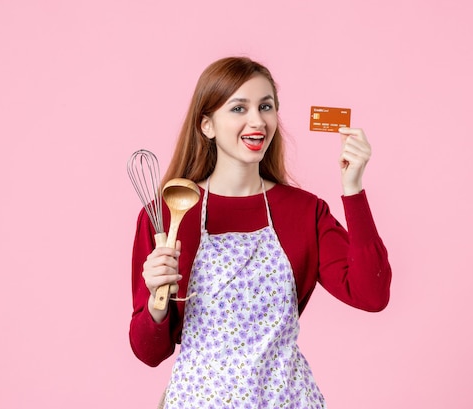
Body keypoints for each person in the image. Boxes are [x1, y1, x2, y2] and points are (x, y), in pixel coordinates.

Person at [129, 56, 392, 408]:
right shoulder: (166, 215)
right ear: (207, 125)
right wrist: (155, 303)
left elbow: (371, 294)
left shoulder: (304, 211)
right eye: (239, 108)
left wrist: (353, 187)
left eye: (265, 107)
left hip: (287, 400)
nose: (258, 121)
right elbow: (149, 352)